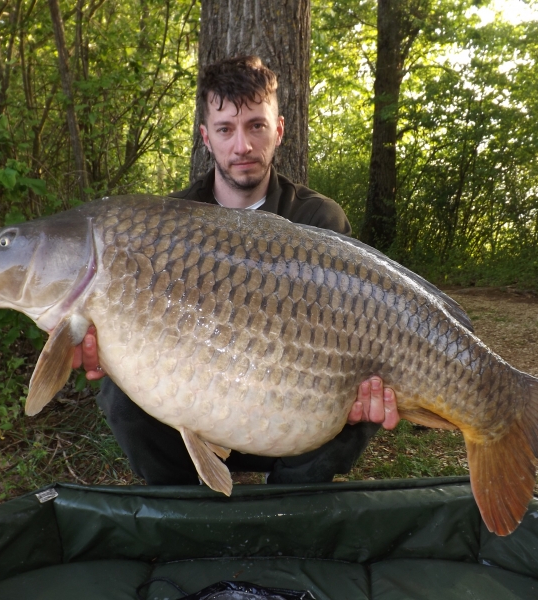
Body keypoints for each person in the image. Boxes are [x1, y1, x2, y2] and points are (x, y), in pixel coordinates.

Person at [74, 56, 399, 486]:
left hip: (294, 410)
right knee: (118, 391)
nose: (242, 145)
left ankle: (288, 508)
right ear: (207, 138)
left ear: (279, 129)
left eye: (256, 126)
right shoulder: (168, 224)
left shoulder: (318, 219)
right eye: (226, 129)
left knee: (364, 391)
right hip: (196, 404)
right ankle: (187, 506)